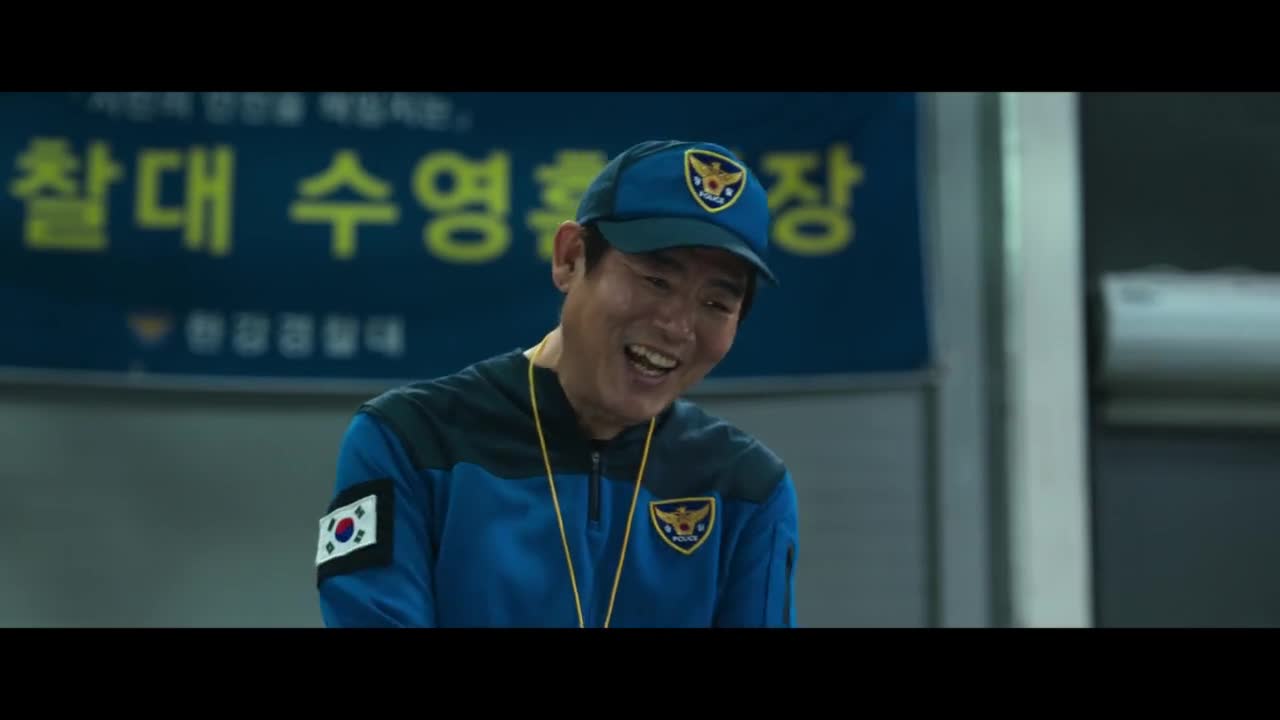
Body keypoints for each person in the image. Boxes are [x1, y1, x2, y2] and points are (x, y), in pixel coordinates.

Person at [314, 139, 799, 627]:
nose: (677, 327)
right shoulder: (412, 441)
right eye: (656, 280)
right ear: (571, 258)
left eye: (716, 304)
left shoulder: (745, 488)